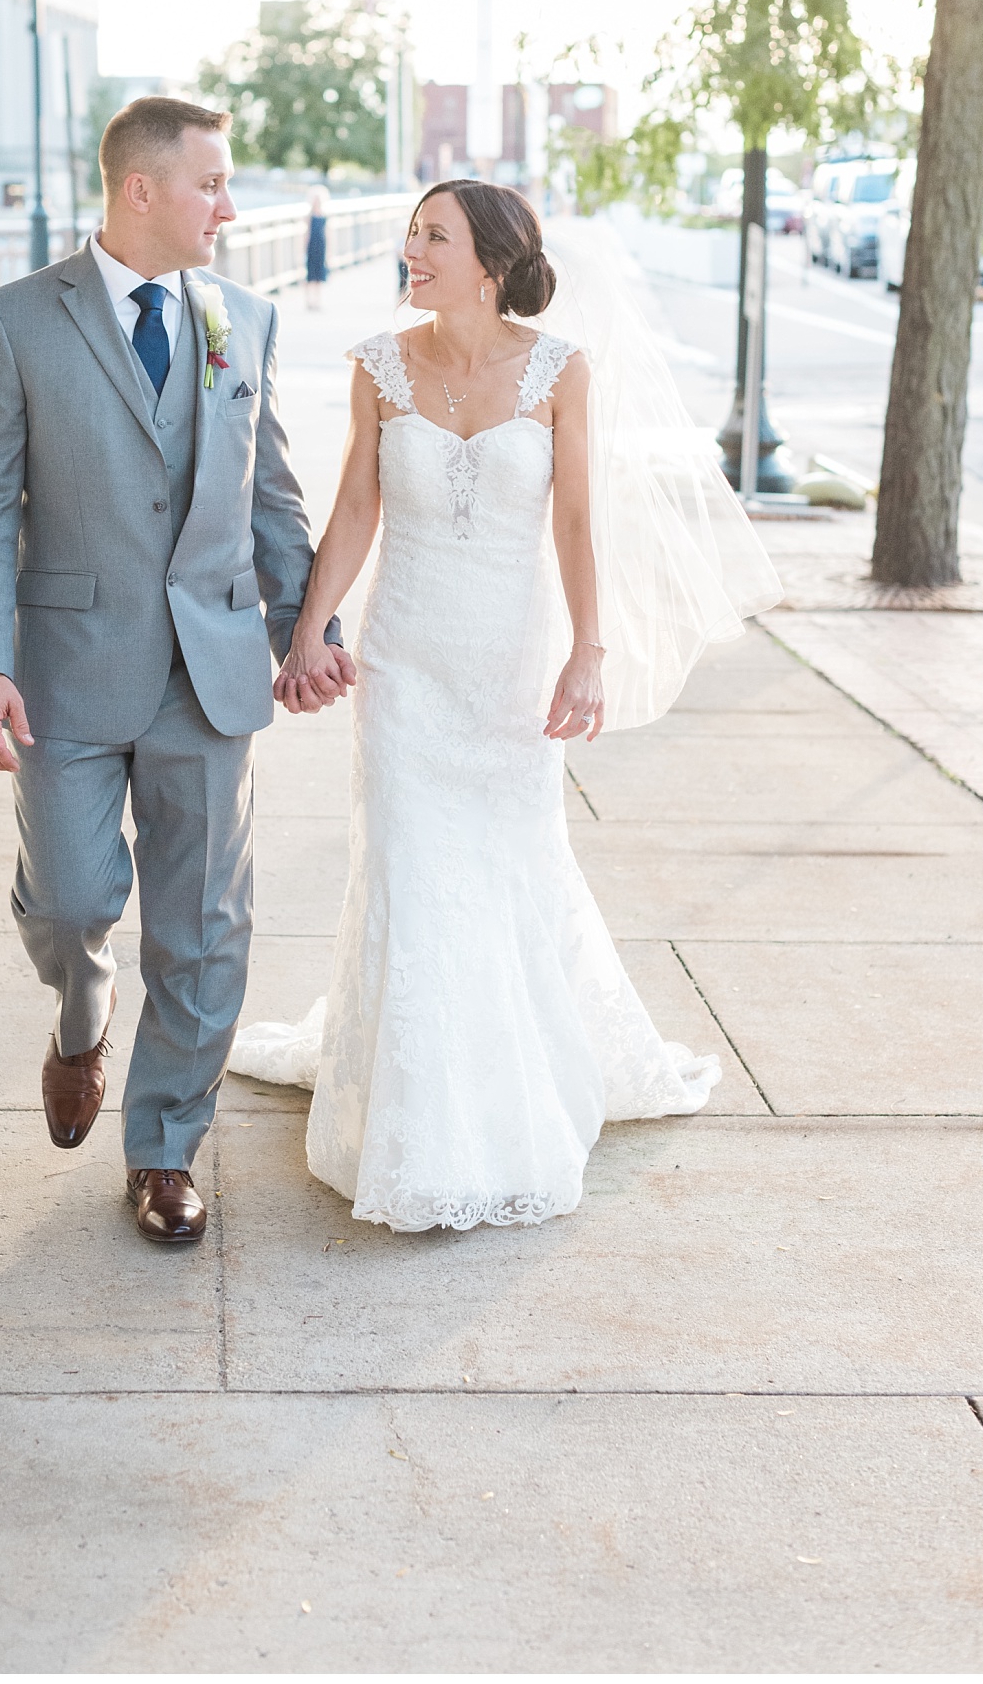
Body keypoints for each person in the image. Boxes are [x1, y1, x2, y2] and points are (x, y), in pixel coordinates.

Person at [230, 178, 780, 1232]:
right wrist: (308, 628)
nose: (409, 250)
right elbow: (354, 505)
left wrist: (588, 651)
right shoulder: (376, 366)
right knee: (409, 869)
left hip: (508, 667)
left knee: (503, 870)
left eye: (430, 236)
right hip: (402, 663)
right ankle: (414, 1126)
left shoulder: (559, 371)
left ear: (487, 261)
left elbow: (574, 520)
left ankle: (505, 1101)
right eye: (409, 235)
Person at [0, 98, 353, 1246]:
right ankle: (80, 1017)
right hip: (63, 672)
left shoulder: (246, 321)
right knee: (72, 897)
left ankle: (163, 1147)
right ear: (141, 190)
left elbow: (268, 497)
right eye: (212, 184)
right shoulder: (19, 321)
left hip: (210, 670)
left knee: (205, 923)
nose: (230, 205)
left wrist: (304, 628)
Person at [304, 182, 329, 311]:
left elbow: (327, 233)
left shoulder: (324, 215)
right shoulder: (309, 216)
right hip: (311, 246)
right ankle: (309, 300)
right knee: (310, 274)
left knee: (320, 274)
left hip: (321, 246)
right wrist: (303, 248)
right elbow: (306, 232)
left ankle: (318, 300)